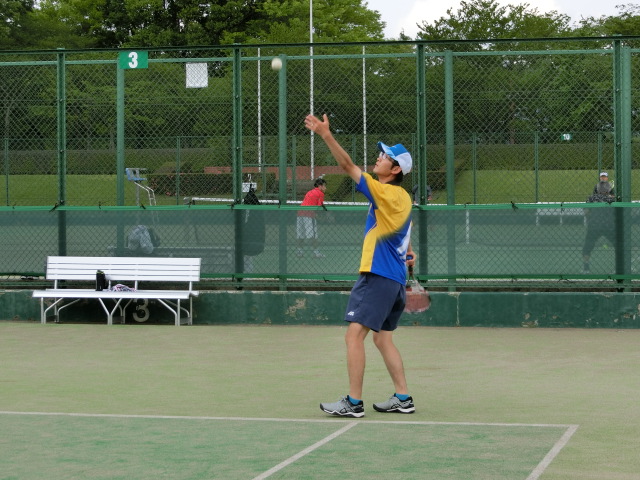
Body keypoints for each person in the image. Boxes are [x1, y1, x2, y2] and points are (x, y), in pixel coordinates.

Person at [305, 113, 416, 418]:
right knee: (382, 337)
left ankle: (353, 403)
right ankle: (403, 397)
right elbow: (404, 231)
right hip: (395, 279)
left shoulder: (384, 190)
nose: (379, 158)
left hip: (378, 275)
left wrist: (326, 135)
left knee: (354, 336)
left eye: (385, 157)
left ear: (395, 169)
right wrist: (409, 252)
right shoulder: (403, 197)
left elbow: (347, 166)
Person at [582, 180, 616, 273]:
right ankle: (618, 268)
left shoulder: (591, 198)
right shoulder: (612, 199)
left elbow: (586, 212)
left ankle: (586, 269)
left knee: (587, 247)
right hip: (609, 226)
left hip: (594, 226)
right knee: (618, 246)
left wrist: (593, 215)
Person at [296, 177, 327, 258]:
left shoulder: (309, 192)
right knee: (313, 235)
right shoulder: (320, 193)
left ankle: (299, 252)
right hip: (309, 215)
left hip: (299, 214)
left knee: (300, 234)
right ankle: (316, 253)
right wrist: (321, 215)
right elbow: (319, 206)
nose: (325, 188)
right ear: (320, 186)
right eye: (324, 186)